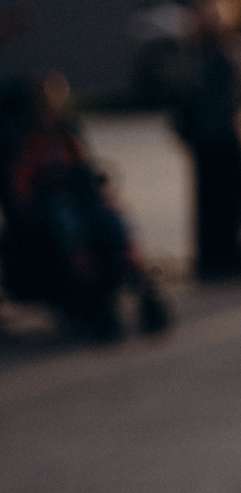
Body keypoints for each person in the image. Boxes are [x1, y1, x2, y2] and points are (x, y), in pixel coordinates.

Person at [0, 73, 167, 340]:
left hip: (81, 196)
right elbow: (22, 182)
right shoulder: (27, 140)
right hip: (52, 201)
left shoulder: (67, 133)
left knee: (112, 218)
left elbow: (86, 166)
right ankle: (85, 273)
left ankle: (136, 273)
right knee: (67, 221)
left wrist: (95, 185)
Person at [175, 0, 241, 279]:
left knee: (236, 199)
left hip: (230, 132)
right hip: (206, 134)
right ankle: (213, 258)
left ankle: (239, 254)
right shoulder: (197, 51)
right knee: (210, 200)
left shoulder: (236, 48)